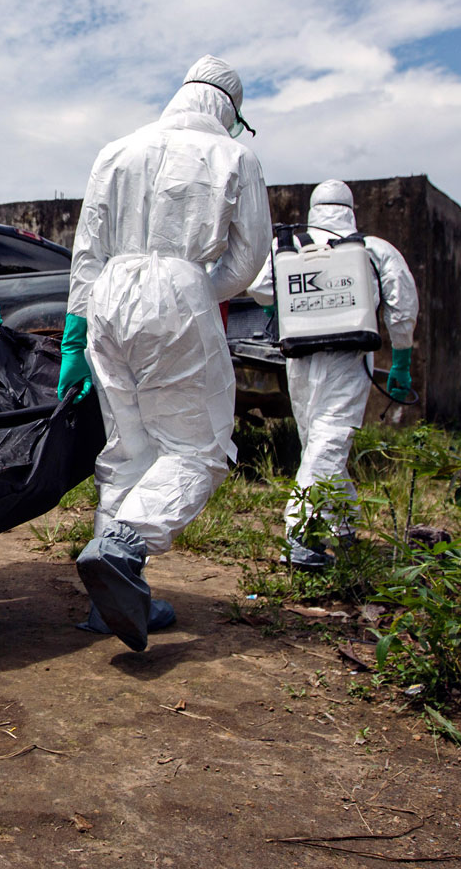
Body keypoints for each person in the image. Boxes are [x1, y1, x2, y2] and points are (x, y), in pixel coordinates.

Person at [59, 56, 270, 651]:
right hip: (177, 290)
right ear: (229, 108)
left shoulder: (116, 150)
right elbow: (249, 257)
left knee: (128, 449)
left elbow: (86, 250)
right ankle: (124, 547)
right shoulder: (235, 154)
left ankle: (113, 605)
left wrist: (76, 335)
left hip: (107, 297)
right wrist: (197, 291)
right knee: (198, 449)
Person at [249, 179, 419, 568]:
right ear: (350, 209)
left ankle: (342, 526)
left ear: (313, 210)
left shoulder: (287, 245)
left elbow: (259, 288)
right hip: (349, 355)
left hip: (301, 358)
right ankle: (300, 536)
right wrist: (402, 363)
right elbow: (402, 307)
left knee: (319, 442)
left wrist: (284, 306)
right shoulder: (373, 248)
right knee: (329, 440)